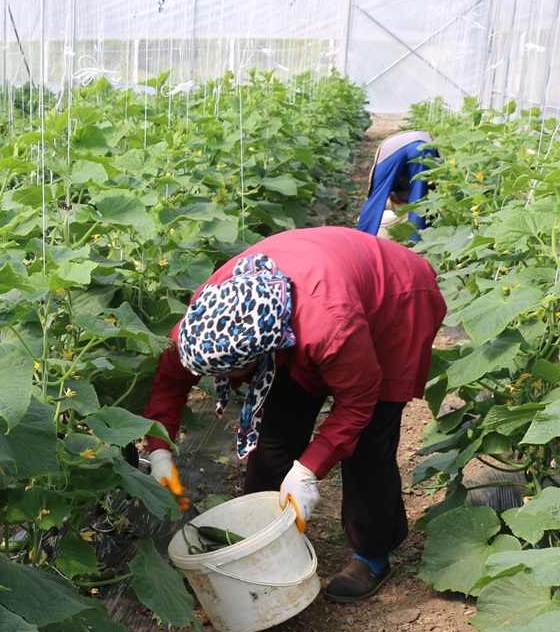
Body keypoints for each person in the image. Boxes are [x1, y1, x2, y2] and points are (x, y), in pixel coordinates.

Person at [142, 226, 446, 603]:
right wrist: (158, 451)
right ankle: (263, 535)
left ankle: (371, 554)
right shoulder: (206, 320)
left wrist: (306, 473)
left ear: (264, 351)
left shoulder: (331, 329)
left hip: (394, 301)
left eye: (228, 374)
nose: (217, 380)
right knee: (275, 435)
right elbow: (171, 381)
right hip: (317, 280)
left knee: (368, 445)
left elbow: (357, 404)